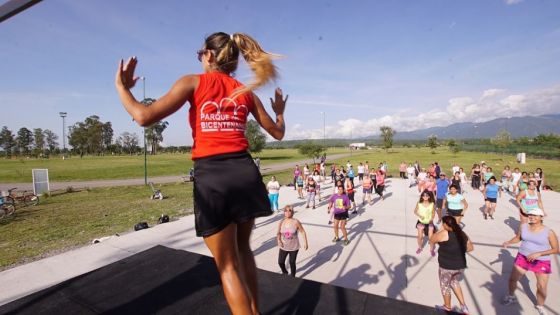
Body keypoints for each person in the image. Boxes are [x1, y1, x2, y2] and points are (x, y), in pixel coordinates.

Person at [115, 32, 287, 315]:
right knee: (243, 250)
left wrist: (122, 87)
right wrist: (279, 112)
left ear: (208, 55)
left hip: (214, 175)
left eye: (199, 54)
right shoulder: (246, 93)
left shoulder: (193, 82)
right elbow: (278, 133)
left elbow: (143, 117)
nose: (199, 59)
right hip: (245, 172)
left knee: (227, 265)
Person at [502, 208, 559, 315]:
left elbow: (556, 249)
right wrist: (509, 242)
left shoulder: (549, 232)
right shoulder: (523, 226)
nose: (531, 217)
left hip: (541, 261)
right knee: (512, 279)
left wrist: (539, 253)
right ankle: (511, 297)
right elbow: (518, 238)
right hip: (522, 257)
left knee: (541, 286)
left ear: (541, 217)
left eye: (535, 215)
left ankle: (540, 305)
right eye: (530, 215)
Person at [430, 216, 474, 314]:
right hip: (460, 266)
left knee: (445, 286)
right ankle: (463, 306)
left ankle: (447, 306)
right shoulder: (462, 233)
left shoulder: (443, 234)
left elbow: (432, 239)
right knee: (454, 282)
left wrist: (441, 229)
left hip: (446, 267)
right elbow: (471, 248)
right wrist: (458, 250)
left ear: (445, 224)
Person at [277, 205, 309, 277]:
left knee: (292, 262)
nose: (287, 212)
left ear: (292, 212)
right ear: (284, 212)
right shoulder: (281, 222)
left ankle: (293, 277)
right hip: (284, 246)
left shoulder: (296, 222)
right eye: (286, 210)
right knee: (280, 262)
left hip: (294, 247)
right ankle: (285, 272)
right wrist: (279, 240)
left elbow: (303, 232)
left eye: (289, 210)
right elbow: (278, 233)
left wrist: (306, 243)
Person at [414, 191, 436, 256]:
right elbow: (415, 211)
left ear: (429, 196)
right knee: (420, 237)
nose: (425, 197)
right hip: (421, 222)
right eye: (423, 195)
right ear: (422, 196)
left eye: (427, 195)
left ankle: (431, 249)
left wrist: (432, 219)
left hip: (429, 223)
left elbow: (433, 213)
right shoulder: (419, 203)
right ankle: (420, 247)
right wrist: (420, 215)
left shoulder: (432, 204)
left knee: (431, 238)